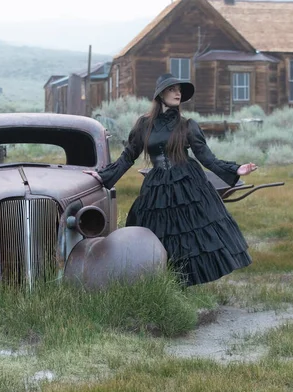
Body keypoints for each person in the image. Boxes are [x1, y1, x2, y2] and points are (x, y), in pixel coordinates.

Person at [84, 73, 257, 286]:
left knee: (189, 234)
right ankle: (160, 282)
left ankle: (184, 285)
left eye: (179, 90)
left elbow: (206, 157)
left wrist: (236, 169)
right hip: (157, 187)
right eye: (172, 89)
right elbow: (128, 156)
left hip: (187, 184)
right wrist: (102, 176)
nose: (178, 93)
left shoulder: (187, 125)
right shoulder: (144, 125)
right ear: (160, 95)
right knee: (158, 234)